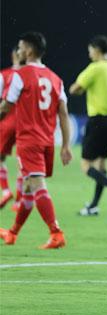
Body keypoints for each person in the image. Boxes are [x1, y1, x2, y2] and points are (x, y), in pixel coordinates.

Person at [0, 32, 72, 249]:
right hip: (47, 141)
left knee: (37, 185)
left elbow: (5, 107)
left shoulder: (21, 75)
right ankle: (12, 233)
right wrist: (66, 145)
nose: (19, 51)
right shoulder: (55, 78)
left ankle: (56, 232)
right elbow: (64, 113)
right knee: (29, 189)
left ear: (29, 50)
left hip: (29, 141)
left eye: (21, 47)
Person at [69, 35, 107, 216]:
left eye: (90, 51)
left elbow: (74, 88)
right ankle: (94, 206)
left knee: (86, 166)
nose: (89, 55)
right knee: (101, 164)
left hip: (98, 120)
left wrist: (83, 89)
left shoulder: (95, 69)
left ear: (97, 49)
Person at [0, 47, 25, 210]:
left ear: (12, 55)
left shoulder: (4, 74)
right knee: (22, 162)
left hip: (7, 122)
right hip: (25, 124)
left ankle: (6, 191)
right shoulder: (30, 75)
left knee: (0, 159)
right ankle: (19, 200)